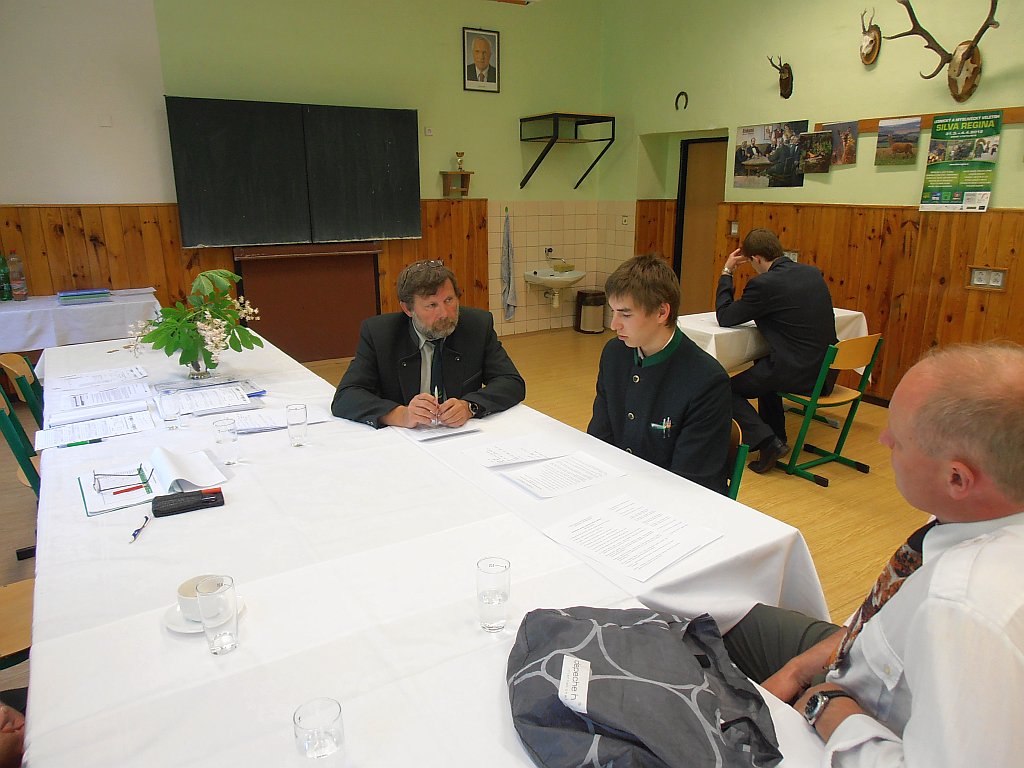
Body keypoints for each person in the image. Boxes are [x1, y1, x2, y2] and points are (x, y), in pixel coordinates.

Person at [723, 342, 1024, 767]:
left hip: (858, 718)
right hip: (856, 657)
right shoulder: (973, 517)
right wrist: (797, 669)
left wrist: (826, 707)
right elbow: (876, 621)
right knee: (722, 612)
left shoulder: (964, 608)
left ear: (957, 478)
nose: (883, 439)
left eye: (898, 440)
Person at [588, 254, 732, 494]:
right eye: (613, 312)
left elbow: (691, 483)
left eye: (625, 314)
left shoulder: (706, 380)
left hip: (672, 501)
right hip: (618, 490)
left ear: (661, 312)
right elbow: (599, 437)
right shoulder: (615, 354)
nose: (614, 325)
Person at [331, 259, 524, 428]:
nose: (445, 314)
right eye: (432, 305)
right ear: (408, 309)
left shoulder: (477, 326)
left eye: (449, 300)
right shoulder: (380, 334)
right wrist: (401, 414)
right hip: (402, 439)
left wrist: (470, 406)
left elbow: (512, 382)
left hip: (461, 435)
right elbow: (346, 396)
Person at [717, 229, 836, 473]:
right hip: (824, 373)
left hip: (797, 373)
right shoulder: (811, 273)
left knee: (721, 388)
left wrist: (727, 271)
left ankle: (767, 442)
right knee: (764, 366)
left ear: (757, 258)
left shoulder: (764, 284)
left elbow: (726, 316)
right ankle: (777, 436)